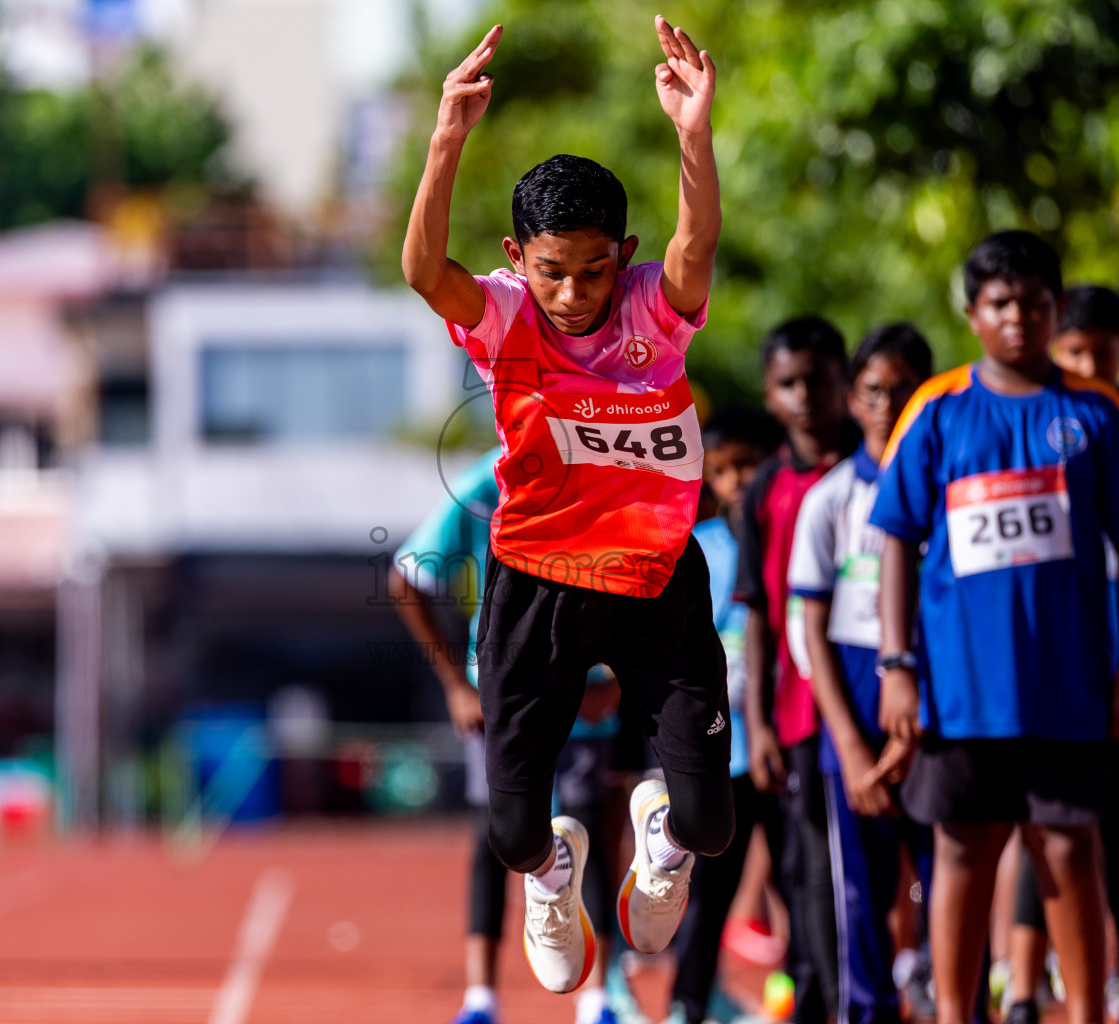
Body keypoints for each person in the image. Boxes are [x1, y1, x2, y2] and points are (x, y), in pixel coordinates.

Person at [400, 17, 731, 995]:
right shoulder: (502, 311)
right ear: (518, 256)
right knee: (509, 833)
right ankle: (558, 870)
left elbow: (697, 238)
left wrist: (694, 138)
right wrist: (445, 137)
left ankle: (659, 840)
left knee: (712, 822)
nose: (576, 291)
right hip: (535, 577)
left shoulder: (651, 309)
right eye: (554, 271)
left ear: (620, 253)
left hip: (654, 574)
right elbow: (423, 272)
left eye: (593, 268)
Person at [866, 230, 1119, 1024]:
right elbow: (895, 538)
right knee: (962, 851)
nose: (1018, 318)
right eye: (1000, 303)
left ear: (1055, 309)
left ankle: (1085, 1016)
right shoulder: (936, 411)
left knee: (1068, 849)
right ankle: (956, 1014)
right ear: (972, 313)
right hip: (961, 692)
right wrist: (897, 664)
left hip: (1071, 689)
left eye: (1035, 304)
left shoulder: (1096, 411)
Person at [390, 448, 629, 1024]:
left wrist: (617, 679)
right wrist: (454, 684)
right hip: (502, 695)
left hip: (590, 692)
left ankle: (597, 998)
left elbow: (644, 586)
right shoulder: (482, 485)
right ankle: (481, 998)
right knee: (494, 838)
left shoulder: (608, 467)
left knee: (590, 831)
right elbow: (406, 578)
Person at [1004, 286, 1119, 1024]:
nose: (1090, 362)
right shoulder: (1040, 418)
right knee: (1049, 834)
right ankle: (1023, 985)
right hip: (1059, 662)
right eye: (1075, 351)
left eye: (1103, 350)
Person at [788, 324, 934, 1024]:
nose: (888, 404)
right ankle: (867, 1008)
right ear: (852, 398)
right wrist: (848, 743)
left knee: (950, 870)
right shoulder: (832, 499)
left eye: (905, 391)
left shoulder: (949, 488)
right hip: (853, 696)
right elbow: (809, 627)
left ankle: (954, 997)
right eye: (874, 390)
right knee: (859, 888)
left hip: (939, 697)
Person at [736, 316, 854, 1024]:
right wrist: (755, 721)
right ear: (770, 394)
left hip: (879, 700)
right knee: (809, 868)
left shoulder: (882, 468)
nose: (805, 394)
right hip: (798, 712)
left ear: (845, 381)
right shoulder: (764, 492)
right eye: (789, 383)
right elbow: (755, 614)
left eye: (817, 379)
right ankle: (823, 998)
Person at [668, 405, 783, 1024]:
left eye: (750, 464)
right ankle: (689, 1002)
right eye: (725, 469)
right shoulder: (698, 549)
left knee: (799, 878)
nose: (738, 481)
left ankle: (806, 989)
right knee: (708, 891)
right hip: (721, 755)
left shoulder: (791, 532)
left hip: (787, 746)